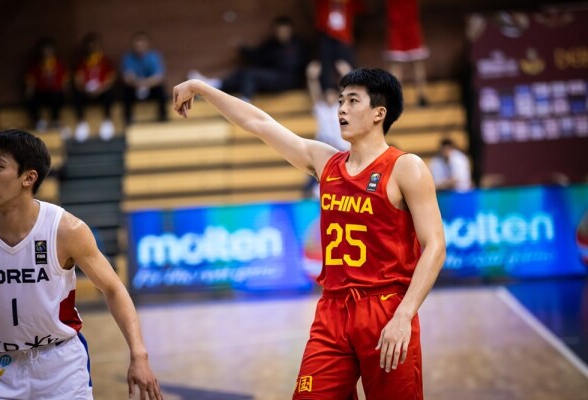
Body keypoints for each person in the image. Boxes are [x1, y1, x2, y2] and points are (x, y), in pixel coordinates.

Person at [173, 68, 445, 399]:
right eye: (341, 101)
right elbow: (259, 123)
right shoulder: (325, 162)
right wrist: (201, 88)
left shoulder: (406, 167)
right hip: (332, 311)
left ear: (379, 113)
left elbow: (435, 246)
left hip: (386, 309)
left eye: (353, 101)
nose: (341, 109)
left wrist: (404, 314)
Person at [0, 129, 163, 399]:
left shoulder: (66, 230)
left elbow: (113, 288)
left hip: (59, 365)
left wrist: (139, 354)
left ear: (28, 177)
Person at [188, 16, 308, 102]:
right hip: (272, 77)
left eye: (284, 31)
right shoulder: (272, 44)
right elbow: (258, 55)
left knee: (250, 74)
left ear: (290, 30)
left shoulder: (298, 45)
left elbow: (294, 66)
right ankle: (211, 85)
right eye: (279, 31)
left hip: (288, 80)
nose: (282, 34)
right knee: (242, 73)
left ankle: (244, 102)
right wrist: (243, 49)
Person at [303, 59, 350, 197]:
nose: (329, 97)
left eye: (332, 94)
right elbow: (315, 92)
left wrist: (346, 75)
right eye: (327, 95)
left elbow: (347, 93)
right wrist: (312, 78)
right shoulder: (320, 108)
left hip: (340, 148)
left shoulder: (340, 107)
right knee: (314, 177)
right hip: (323, 147)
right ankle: (310, 193)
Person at [383, 0, 429, 107]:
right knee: (416, 65)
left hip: (400, 26)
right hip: (408, 25)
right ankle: (422, 97)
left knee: (397, 66)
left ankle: (394, 99)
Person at [73, 33, 117, 142]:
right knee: (77, 95)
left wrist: (100, 89)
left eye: (95, 46)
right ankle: (81, 124)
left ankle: (107, 122)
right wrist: (85, 89)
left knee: (109, 94)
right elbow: (78, 80)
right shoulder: (82, 63)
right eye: (90, 46)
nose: (92, 48)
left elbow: (111, 80)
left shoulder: (106, 61)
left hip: (101, 92)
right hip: (87, 92)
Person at [313, 0, 363, 91]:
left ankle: (351, 91)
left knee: (348, 68)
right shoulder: (323, 3)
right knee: (326, 69)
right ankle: (328, 92)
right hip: (326, 35)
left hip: (344, 38)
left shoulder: (350, 3)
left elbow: (360, 8)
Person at [121, 31, 167, 125]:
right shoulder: (128, 58)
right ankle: (128, 119)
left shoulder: (154, 57)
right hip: (134, 87)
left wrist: (145, 83)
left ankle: (163, 117)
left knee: (161, 90)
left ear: (147, 44)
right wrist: (137, 83)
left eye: (142, 44)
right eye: (137, 45)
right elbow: (127, 77)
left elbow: (159, 77)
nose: (139, 47)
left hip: (150, 87)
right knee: (125, 92)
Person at [25, 37, 69, 132]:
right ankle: (39, 121)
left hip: (55, 93)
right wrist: (29, 94)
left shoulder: (59, 65)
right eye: (44, 50)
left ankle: (56, 121)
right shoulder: (36, 66)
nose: (46, 53)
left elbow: (65, 83)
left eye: (49, 50)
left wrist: (67, 94)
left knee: (56, 96)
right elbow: (30, 83)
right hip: (41, 93)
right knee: (31, 100)